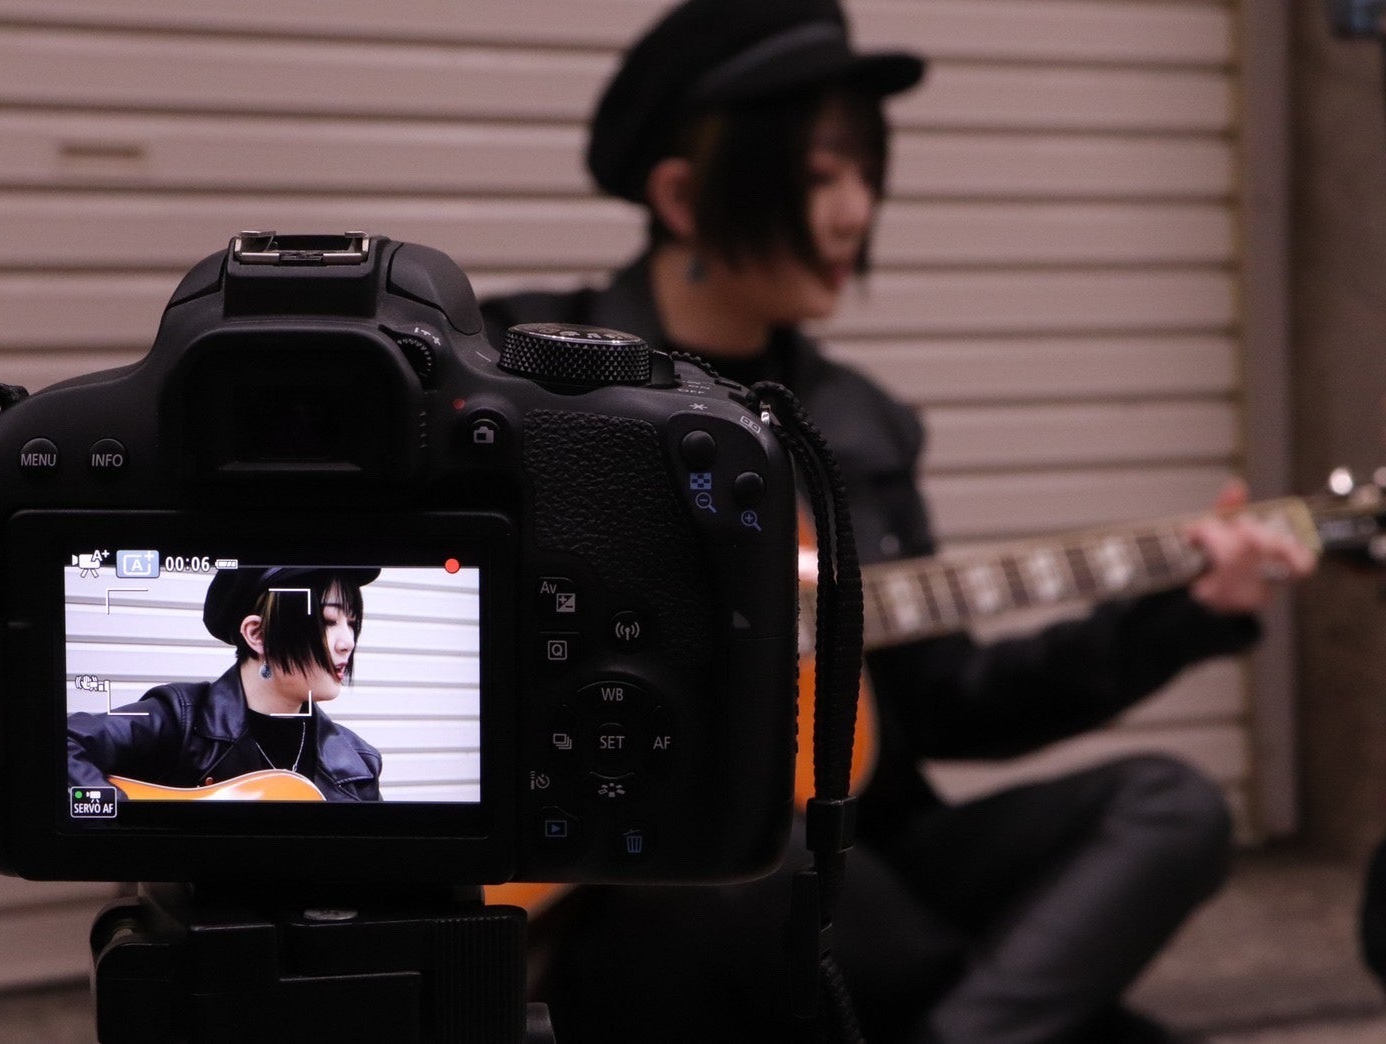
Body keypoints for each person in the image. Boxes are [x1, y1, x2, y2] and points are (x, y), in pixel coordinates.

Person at [479, 1, 1318, 1040]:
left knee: (1170, 806)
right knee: (761, 864)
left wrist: (1189, 614)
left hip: (864, 865)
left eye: (866, 176)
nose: (853, 214)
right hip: (628, 881)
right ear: (682, 197)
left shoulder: (856, 425)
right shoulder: (521, 372)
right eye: (817, 177)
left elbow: (953, 702)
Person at [67, 565, 385, 802]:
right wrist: (126, 823)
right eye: (328, 622)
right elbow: (61, 743)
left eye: (352, 623)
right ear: (257, 635)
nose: (348, 642)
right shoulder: (180, 720)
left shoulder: (358, 764)